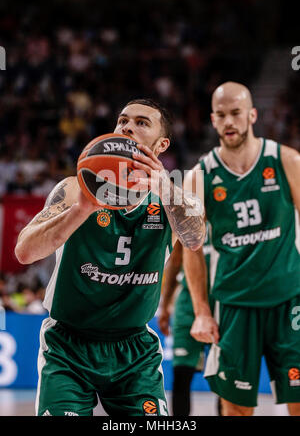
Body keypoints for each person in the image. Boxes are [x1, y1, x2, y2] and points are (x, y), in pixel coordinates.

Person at [15, 99, 206, 417]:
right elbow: (24, 252)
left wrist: (165, 188)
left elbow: (195, 239)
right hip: (68, 345)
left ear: (162, 145)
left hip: (134, 350)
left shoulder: (174, 201)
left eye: (142, 123)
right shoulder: (76, 189)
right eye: (122, 120)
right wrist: (82, 210)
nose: (127, 127)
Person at [183, 81, 300, 416]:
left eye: (236, 113)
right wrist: (202, 311)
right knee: (235, 410)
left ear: (252, 115)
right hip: (234, 307)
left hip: (289, 299)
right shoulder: (198, 177)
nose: (229, 121)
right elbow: (191, 249)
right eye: (221, 115)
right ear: (213, 120)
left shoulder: (286, 160)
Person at [158, 225, 214, 416]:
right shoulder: (189, 216)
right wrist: (165, 305)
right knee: (182, 374)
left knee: (225, 378)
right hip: (187, 303)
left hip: (223, 300)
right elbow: (175, 262)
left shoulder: (226, 208)